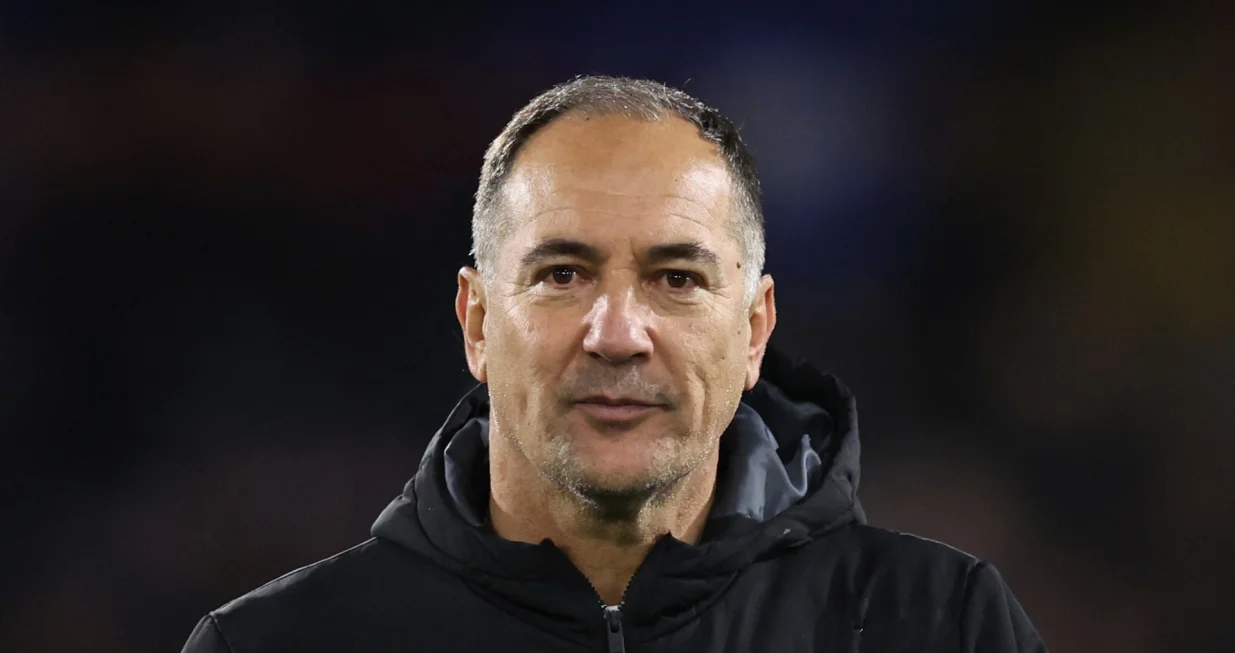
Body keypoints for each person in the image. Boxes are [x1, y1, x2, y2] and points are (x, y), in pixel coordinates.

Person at [181, 75, 1046, 653]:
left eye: (676, 279)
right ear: (477, 322)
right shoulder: (277, 644)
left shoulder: (937, 623)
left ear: (753, 331)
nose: (618, 333)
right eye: (563, 274)